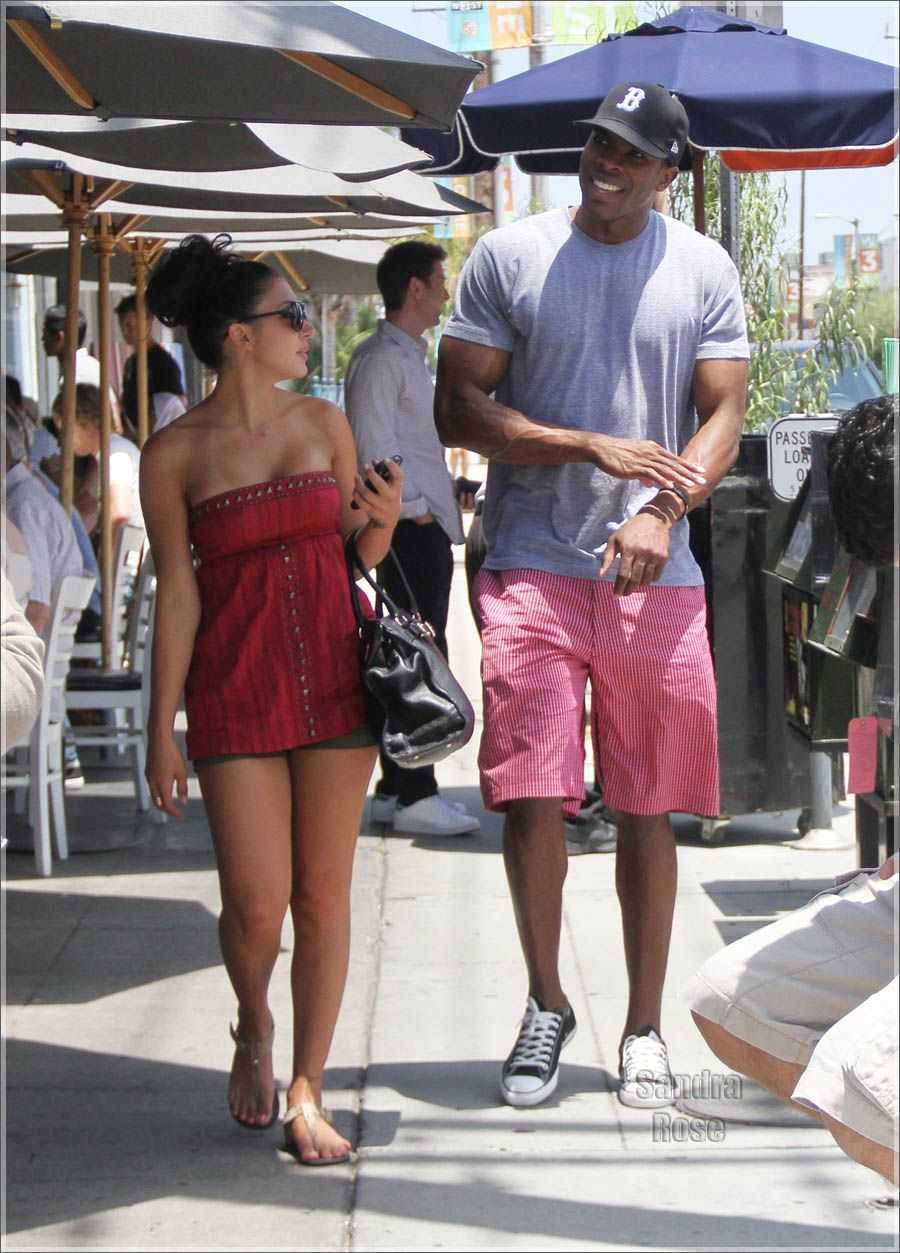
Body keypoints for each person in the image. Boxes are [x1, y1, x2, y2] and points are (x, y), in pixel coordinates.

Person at [434, 81, 749, 1110]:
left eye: (631, 152)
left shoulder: (702, 268)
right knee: (532, 791)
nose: (608, 162)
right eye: (601, 143)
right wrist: (583, 444)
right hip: (530, 560)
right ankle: (545, 1003)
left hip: (656, 572)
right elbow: (459, 407)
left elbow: (724, 414)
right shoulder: (510, 256)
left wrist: (664, 506)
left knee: (647, 804)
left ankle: (644, 1027)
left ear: (669, 172)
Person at [141, 233, 402, 1166]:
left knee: (322, 896)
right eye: (290, 316)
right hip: (234, 689)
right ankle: (253, 1019)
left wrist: (379, 525)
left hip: (334, 680)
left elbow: (354, 556)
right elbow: (178, 592)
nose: (306, 327)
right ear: (238, 338)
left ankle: (307, 1086)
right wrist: (160, 728)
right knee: (255, 906)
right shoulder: (173, 453)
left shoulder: (324, 425)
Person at [344, 240, 479, 837]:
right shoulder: (382, 360)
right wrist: (419, 510)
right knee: (415, 659)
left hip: (417, 526)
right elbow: (376, 452)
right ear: (416, 287)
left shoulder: (404, 357)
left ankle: (398, 786)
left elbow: (412, 449)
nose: (446, 293)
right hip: (401, 532)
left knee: (412, 652)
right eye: (440, 281)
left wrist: (443, 493)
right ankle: (416, 793)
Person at [43, 384, 143, 534]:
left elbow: (119, 515)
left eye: (66, 430)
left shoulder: (116, 453)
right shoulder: (109, 452)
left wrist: (107, 549)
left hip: (132, 544)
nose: (62, 439)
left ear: (89, 423)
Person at [115, 293, 186, 436]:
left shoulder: (163, 363)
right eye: (122, 326)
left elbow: (170, 406)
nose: (125, 331)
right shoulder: (130, 364)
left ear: (148, 321)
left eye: (130, 325)